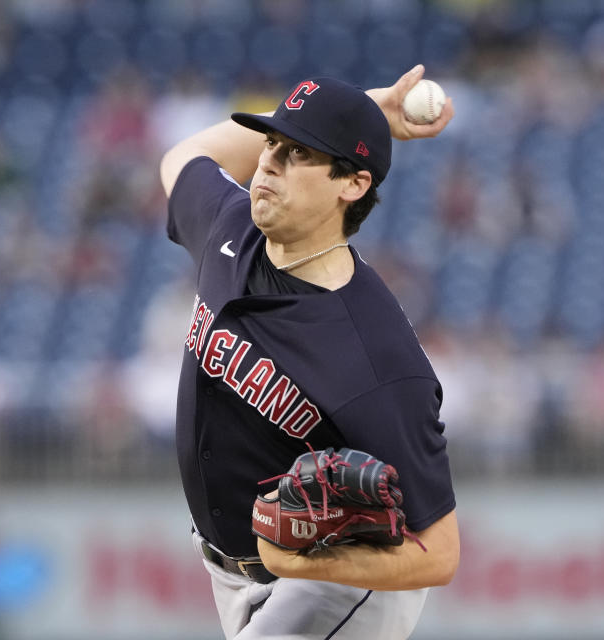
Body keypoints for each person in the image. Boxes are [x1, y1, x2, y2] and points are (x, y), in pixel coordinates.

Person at [159, 65, 459, 640]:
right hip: (235, 572)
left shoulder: (377, 359)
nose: (267, 162)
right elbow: (186, 155)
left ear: (353, 184)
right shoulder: (233, 232)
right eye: (271, 142)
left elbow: (440, 554)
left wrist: (307, 565)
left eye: (298, 153)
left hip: (336, 585)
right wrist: (369, 108)